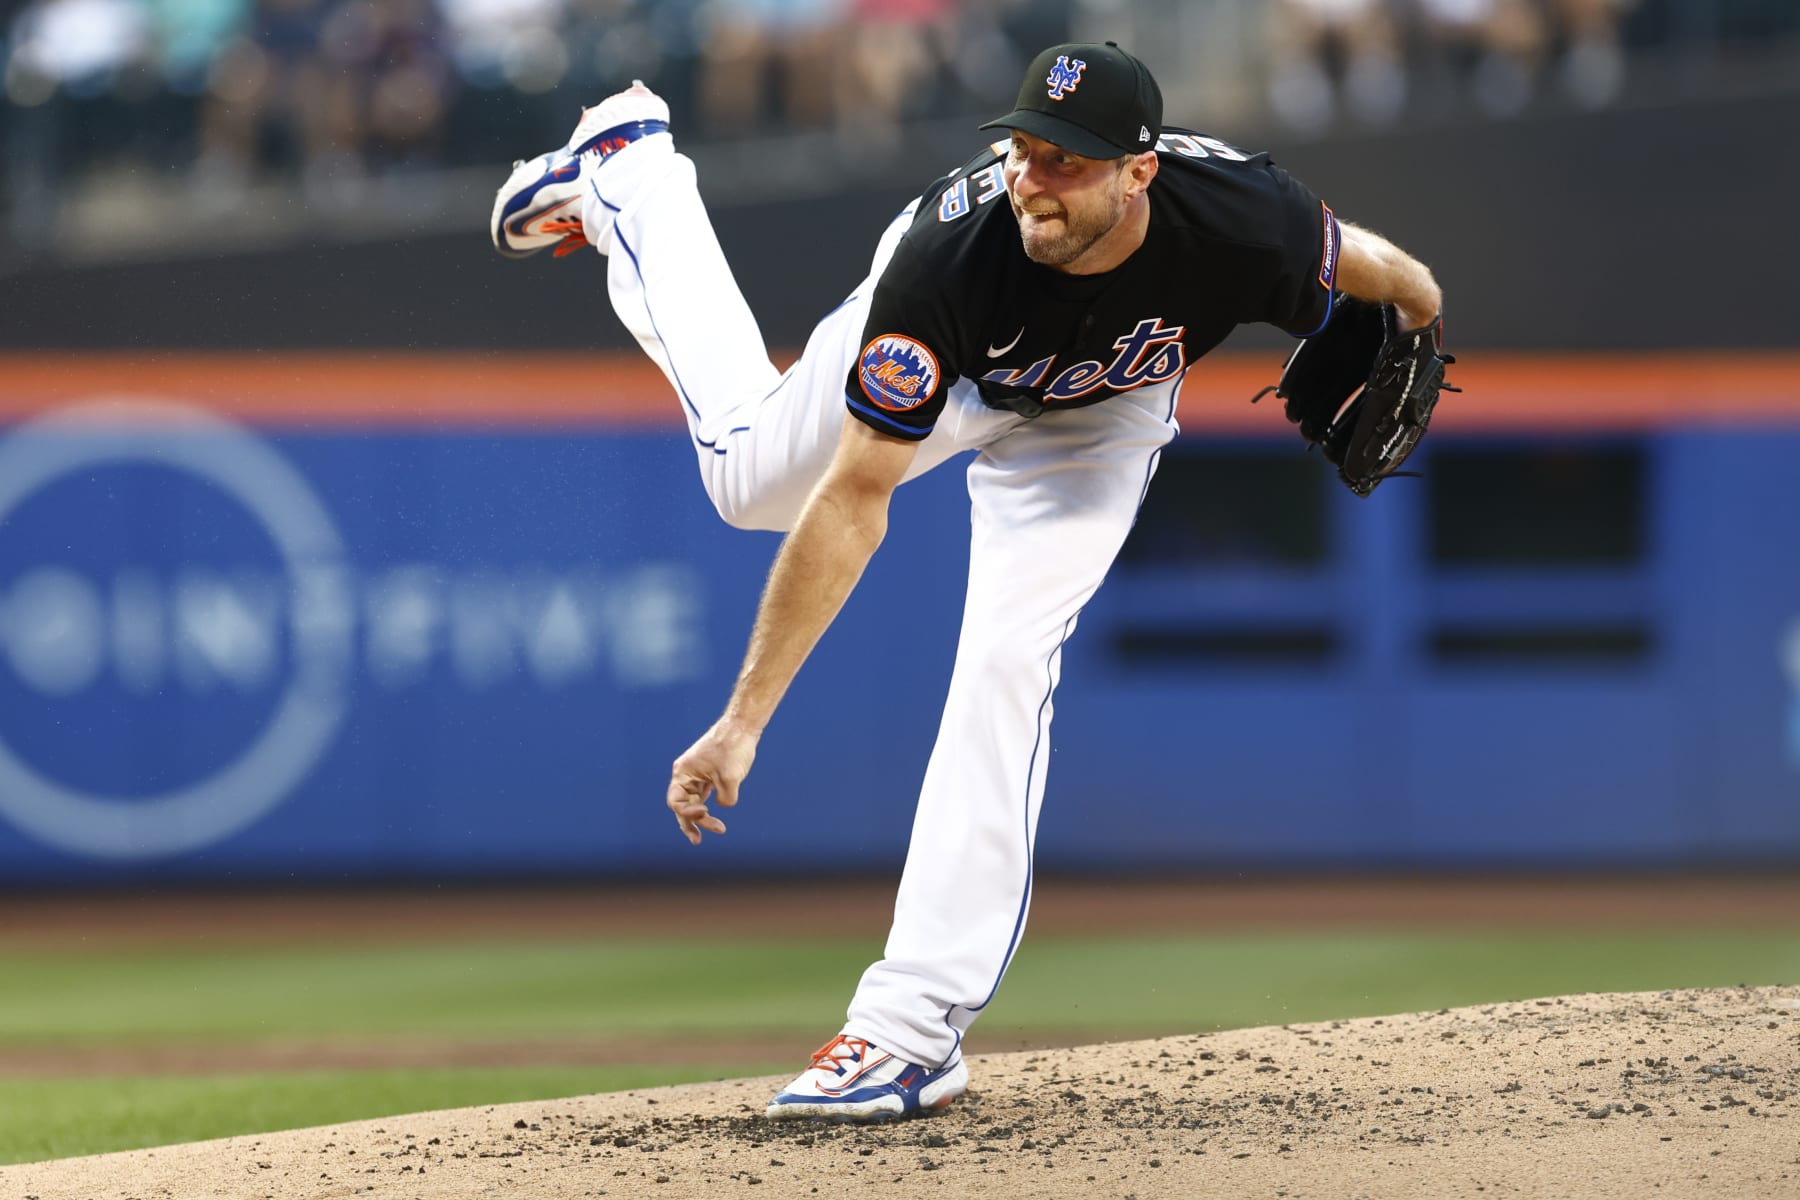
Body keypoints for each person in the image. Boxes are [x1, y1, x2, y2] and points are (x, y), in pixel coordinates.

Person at [491, 41, 1443, 1122]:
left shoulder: (1241, 218)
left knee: (1006, 660)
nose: (1034, 178)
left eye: (1068, 162)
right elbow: (853, 503)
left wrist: (1420, 307)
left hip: (1100, 414)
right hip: (965, 360)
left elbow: (1377, 268)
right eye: (1024, 150)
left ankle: (908, 1033)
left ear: (1140, 172)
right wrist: (745, 721)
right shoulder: (950, 259)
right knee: (751, 484)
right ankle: (633, 174)